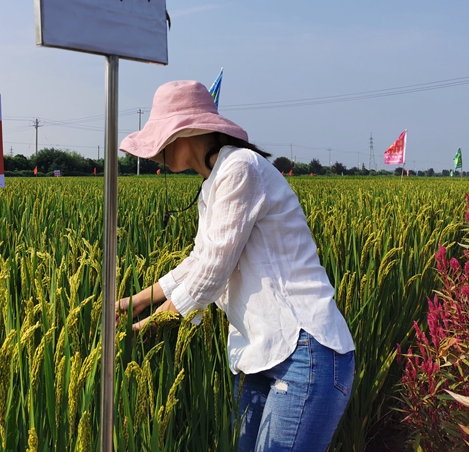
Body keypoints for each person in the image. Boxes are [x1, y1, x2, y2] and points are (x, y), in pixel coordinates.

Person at [116, 80, 355, 452]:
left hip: (303, 347)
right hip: (257, 352)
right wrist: (136, 302)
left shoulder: (240, 168)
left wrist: (152, 322)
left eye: (161, 140)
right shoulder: (214, 183)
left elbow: (213, 270)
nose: (156, 154)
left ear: (187, 133)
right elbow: (198, 261)